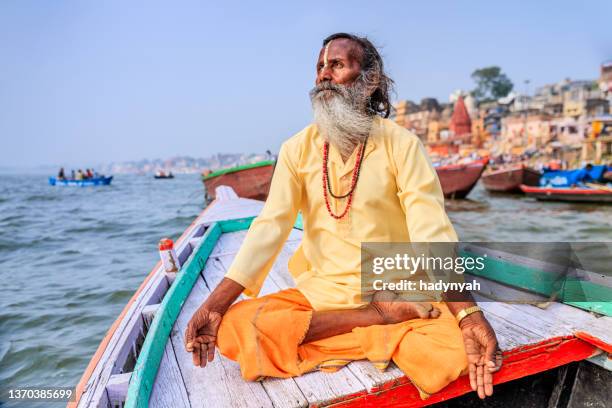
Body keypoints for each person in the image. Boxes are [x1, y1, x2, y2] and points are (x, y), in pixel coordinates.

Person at [185, 33, 502, 400]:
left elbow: (429, 231)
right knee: (235, 327)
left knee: (456, 350)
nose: (323, 75)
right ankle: (379, 319)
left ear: (369, 82)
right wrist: (215, 304)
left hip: (399, 287)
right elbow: (270, 227)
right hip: (323, 295)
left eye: (336, 65)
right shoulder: (296, 149)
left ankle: (381, 316)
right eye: (320, 67)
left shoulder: (401, 144)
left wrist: (467, 315)